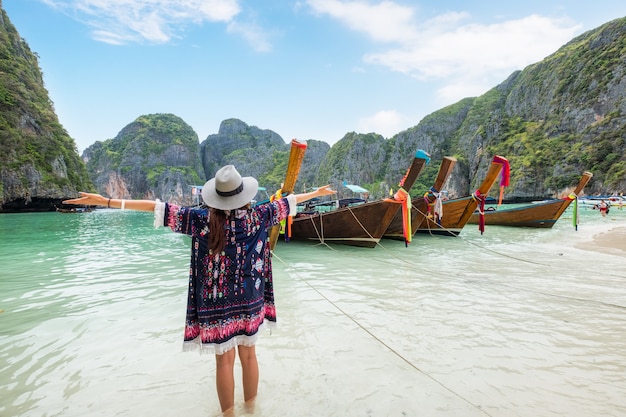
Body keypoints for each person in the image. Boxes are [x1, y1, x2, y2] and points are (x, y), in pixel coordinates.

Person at [63, 165, 336, 415]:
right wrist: (317, 192)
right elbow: (289, 202)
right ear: (244, 195)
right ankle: (252, 410)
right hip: (250, 298)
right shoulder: (259, 216)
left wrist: (107, 201)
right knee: (250, 355)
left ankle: (228, 414)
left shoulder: (200, 220)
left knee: (224, 363)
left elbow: (158, 208)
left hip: (216, 302)